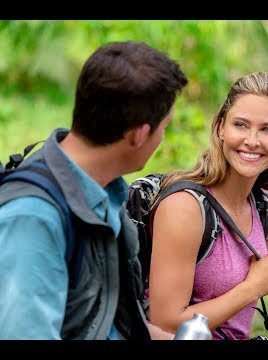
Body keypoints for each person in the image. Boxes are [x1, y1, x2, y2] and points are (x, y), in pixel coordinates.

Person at [0, 40, 188, 340]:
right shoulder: (34, 218)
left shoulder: (106, 192)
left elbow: (105, 323)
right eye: (164, 127)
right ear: (139, 134)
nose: (163, 136)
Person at [147, 71, 268, 340]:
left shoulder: (265, 209)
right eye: (240, 125)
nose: (252, 140)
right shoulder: (185, 207)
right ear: (221, 127)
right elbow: (167, 322)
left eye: (267, 129)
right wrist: (251, 288)